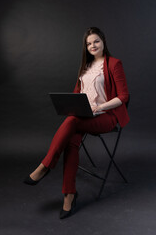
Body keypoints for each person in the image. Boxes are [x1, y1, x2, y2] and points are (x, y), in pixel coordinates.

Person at [24, 27, 130, 219]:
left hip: (106, 116)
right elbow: (76, 95)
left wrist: (100, 107)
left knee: (72, 123)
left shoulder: (114, 64)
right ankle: (69, 194)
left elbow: (124, 96)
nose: (92, 46)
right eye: (88, 43)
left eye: (96, 41)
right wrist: (71, 105)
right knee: (72, 137)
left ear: (103, 41)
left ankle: (46, 166)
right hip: (84, 116)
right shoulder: (85, 67)